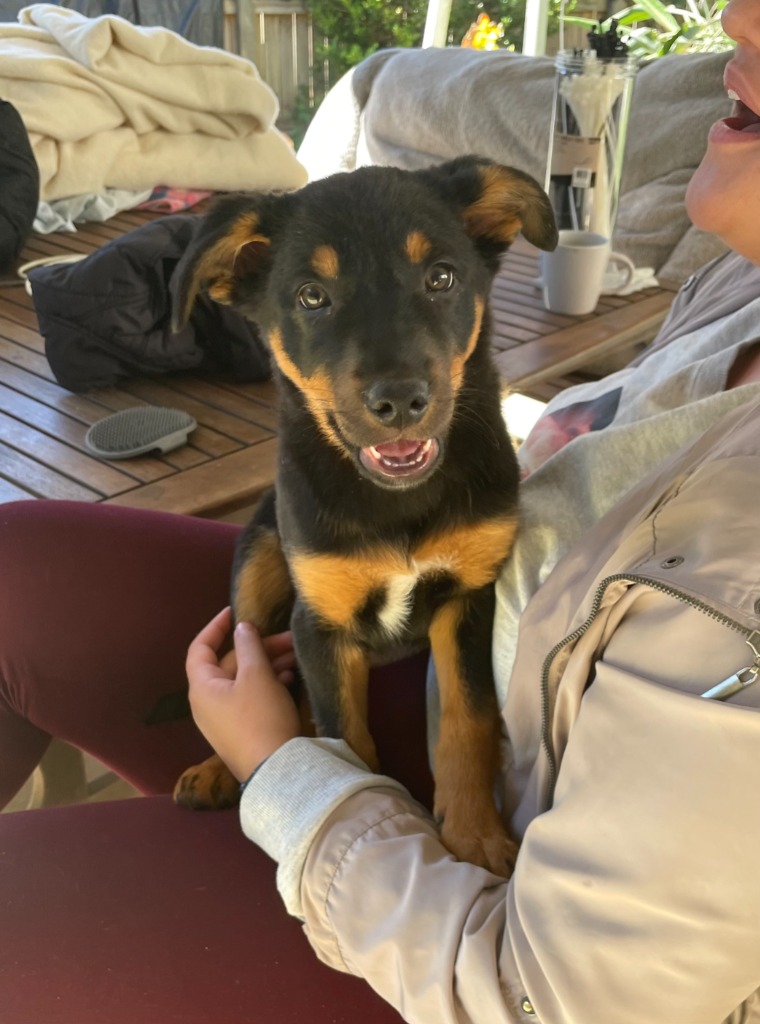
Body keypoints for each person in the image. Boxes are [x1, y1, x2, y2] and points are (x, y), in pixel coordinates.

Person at [1, 0, 760, 1020]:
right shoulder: (736, 276)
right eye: (314, 300)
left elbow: (556, 996)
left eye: (438, 276)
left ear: (487, 241)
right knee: (19, 562)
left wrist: (292, 771)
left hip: (482, 929)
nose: (735, 11)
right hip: (437, 654)